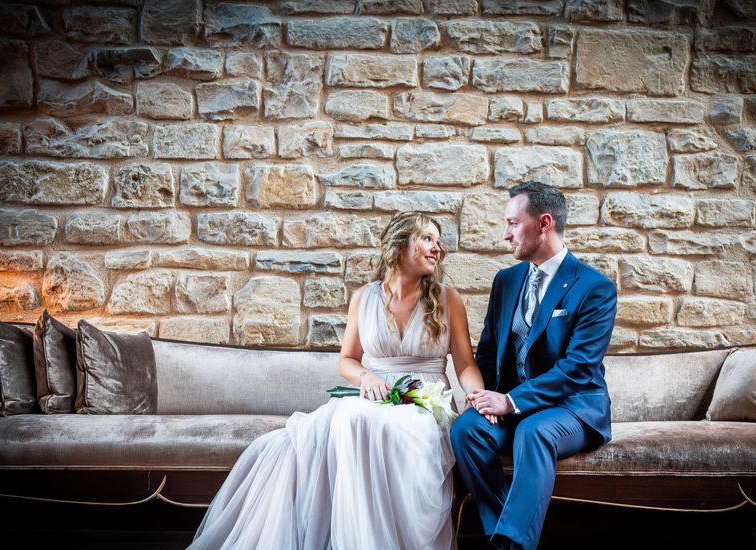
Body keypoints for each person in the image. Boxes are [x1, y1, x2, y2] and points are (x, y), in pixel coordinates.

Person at [189, 212, 488, 550]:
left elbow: (465, 364)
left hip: (425, 401)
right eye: (427, 239)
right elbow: (347, 360)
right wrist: (368, 376)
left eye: (438, 241)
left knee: (368, 423)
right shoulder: (364, 298)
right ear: (401, 244)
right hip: (375, 395)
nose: (437, 249)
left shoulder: (448, 299)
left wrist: (477, 395)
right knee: (327, 427)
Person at [450, 181, 618, 550]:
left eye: (513, 223)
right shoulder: (506, 280)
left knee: (535, 431)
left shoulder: (594, 287)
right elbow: (489, 350)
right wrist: (482, 396)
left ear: (544, 223)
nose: (505, 234)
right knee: (466, 430)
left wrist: (510, 402)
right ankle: (503, 536)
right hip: (514, 404)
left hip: (573, 407)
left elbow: (578, 369)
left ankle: (514, 544)